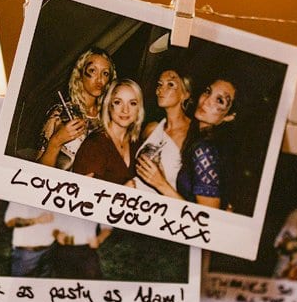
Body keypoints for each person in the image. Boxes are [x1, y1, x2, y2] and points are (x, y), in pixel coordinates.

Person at [136, 77, 239, 210]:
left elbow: (207, 218)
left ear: (229, 116)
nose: (206, 101)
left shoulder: (204, 150)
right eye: (208, 92)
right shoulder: (201, 140)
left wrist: (160, 183)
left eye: (220, 100)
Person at [37, 47, 116, 170]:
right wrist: (56, 141)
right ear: (80, 73)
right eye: (93, 71)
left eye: (105, 73)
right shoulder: (59, 113)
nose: (100, 79)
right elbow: (38, 169)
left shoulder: (108, 117)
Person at [72, 79, 144, 184]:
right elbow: (79, 192)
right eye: (118, 102)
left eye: (132, 103)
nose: (125, 110)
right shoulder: (95, 145)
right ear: (109, 106)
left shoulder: (137, 144)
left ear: (138, 109)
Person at [130, 69, 192, 192]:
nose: (160, 90)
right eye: (159, 84)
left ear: (185, 94)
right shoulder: (152, 128)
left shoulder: (192, 134)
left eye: (170, 84)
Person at [50, 213, 111, 279]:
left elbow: (107, 227)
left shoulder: (96, 205)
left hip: (87, 250)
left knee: (90, 282)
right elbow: (52, 225)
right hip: (63, 249)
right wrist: (56, 234)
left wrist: (99, 239)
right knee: (64, 283)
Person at [4, 202, 56, 277]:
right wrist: (37, 220)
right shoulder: (19, 196)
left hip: (49, 250)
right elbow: (9, 222)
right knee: (20, 285)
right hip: (26, 254)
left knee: (44, 285)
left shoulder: (52, 197)